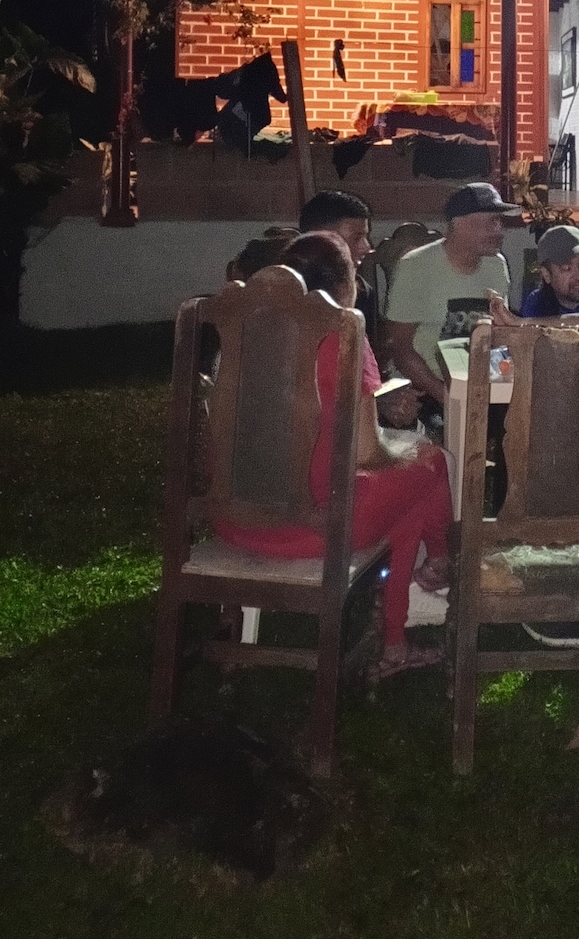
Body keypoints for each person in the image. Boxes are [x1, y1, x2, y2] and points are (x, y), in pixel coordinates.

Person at [214, 232, 453, 675]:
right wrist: (405, 454)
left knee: (411, 487)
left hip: (234, 520)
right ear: (346, 284)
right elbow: (365, 451)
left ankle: (399, 634)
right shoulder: (344, 332)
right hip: (312, 526)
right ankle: (430, 581)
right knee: (429, 465)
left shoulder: (244, 329)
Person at [379, 182, 520, 413]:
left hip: (480, 385)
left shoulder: (496, 265)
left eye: (500, 222)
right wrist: (446, 395)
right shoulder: (415, 267)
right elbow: (400, 349)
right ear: (459, 224)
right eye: (491, 222)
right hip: (424, 389)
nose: (499, 231)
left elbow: (498, 336)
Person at [299, 190, 377, 339]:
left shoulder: (362, 292)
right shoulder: (281, 287)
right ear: (321, 239)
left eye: (366, 236)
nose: (366, 247)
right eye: (356, 238)